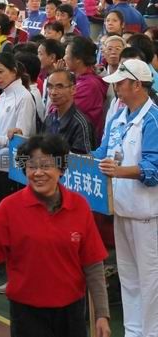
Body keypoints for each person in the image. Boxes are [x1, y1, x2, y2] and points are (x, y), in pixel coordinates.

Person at [0, 134, 111, 337]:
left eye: (46, 166)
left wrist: (102, 314)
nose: (38, 173)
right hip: (27, 315)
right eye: (31, 167)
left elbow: (93, 265)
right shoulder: (9, 208)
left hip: (71, 313)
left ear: (61, 168)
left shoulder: (79, 206)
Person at [93, 58, 158, 337]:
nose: (116, 88)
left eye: (121, 83)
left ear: (138, 85)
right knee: (129, 279)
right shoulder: (119, 115)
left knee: (150, 281)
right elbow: (102, 152)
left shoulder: (153, 119)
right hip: (121, 208)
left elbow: (154, 169)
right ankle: (133, 332)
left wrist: (119, 171)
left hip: (147, 214)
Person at [0, 52, 36, 237]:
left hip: (12, 169)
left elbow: (22, 138)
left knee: (9, 219)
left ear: (14, 71)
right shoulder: (3, 96)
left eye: (0, 72)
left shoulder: (24, 97)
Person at [64, 36, 108, 142]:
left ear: (78, 59)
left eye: (66, 53)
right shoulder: (77, 79)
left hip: (80, 144)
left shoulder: (89, 85)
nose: (64, 57)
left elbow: (61, 111)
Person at [41, 69, 95, 154]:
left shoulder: (80, 124)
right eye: (50, 87)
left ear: (73, 89)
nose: (53, 92)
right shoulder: (49, 119)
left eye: (59, 87)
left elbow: (82, 161)